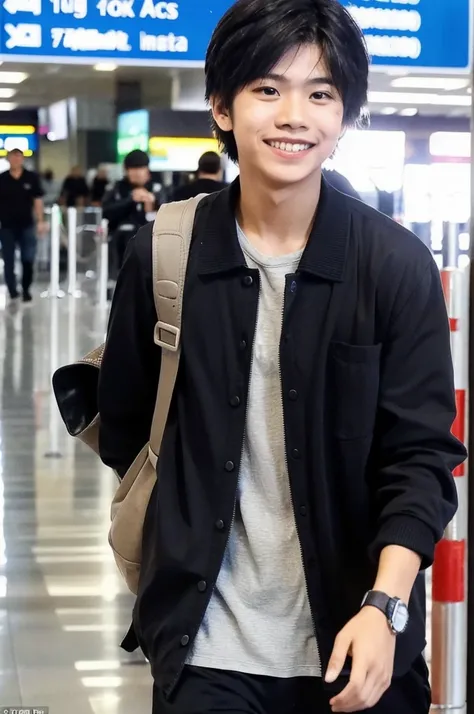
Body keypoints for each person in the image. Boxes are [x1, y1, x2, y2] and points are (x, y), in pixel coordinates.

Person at [97, 1, 466, 713]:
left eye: (320, 93)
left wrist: (385, 607)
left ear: (344, 115)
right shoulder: (165, 256)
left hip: (355, 639)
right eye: (268, 89)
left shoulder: (393, 265)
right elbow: (129, 427)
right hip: (204, 648)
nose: (295, 114)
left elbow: (420, 459)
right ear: (223, 108)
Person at [0, 149, 47, 303]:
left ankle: (26, 288)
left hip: (26, 224)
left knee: (28, 258)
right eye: (13, 157)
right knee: (9, 259)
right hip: (7, 225)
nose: (16, 160)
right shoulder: (3, 179)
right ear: (8, 159)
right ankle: (12, 289)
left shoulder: (31, 178)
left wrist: (40, 220)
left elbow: (38, 200)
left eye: (18, 157)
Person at [102, 149, 160, 270]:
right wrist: (130, 200)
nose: (138, 173)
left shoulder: (157, 189)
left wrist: (152, 204)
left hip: (151, 246)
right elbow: (106, 212)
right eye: (133, 169)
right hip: (120, 245)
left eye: (141, 169)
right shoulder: (117, 189)